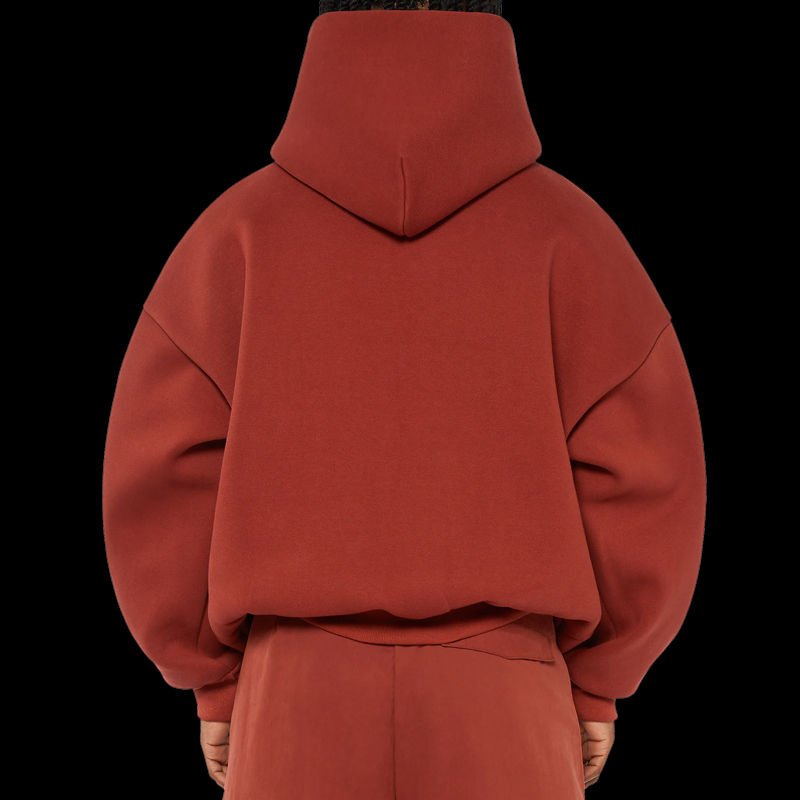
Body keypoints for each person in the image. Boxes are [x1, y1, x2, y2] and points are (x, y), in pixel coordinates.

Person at [102, 2, 706, 797]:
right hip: (508, 699)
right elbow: (647, 476)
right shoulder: (574, 236)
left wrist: (209, 677)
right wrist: (602, 679)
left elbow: (161, 471)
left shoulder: (234, 236)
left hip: (294, 698)